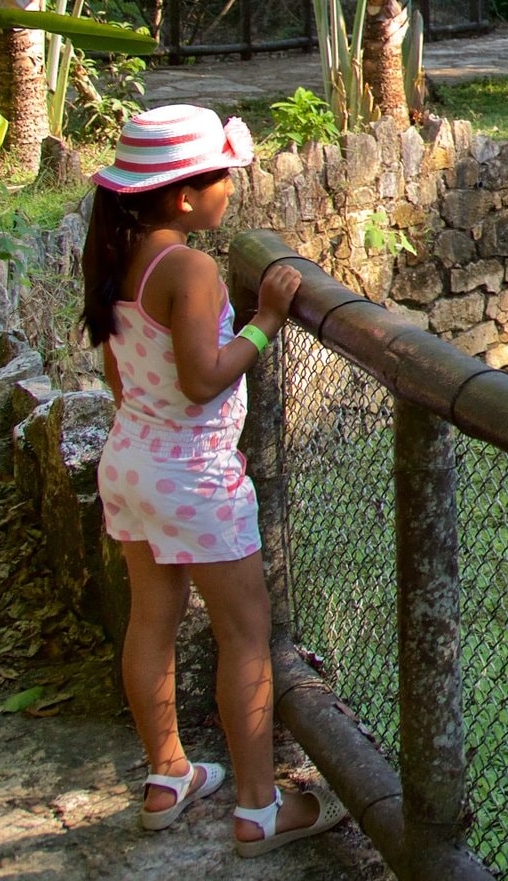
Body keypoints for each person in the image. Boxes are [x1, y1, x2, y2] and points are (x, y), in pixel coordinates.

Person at [81, 105, 343, 856]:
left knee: (150, 622)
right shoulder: (189, 267)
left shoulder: (117, 253)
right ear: (187, 196)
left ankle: (168, 776)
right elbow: (202, 380)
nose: (233, 186)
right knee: (245, 635)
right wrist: (265, 321)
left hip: (132, 463)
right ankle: (260, 812)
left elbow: (120, 372)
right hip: (194, 475)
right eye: (223, 176)